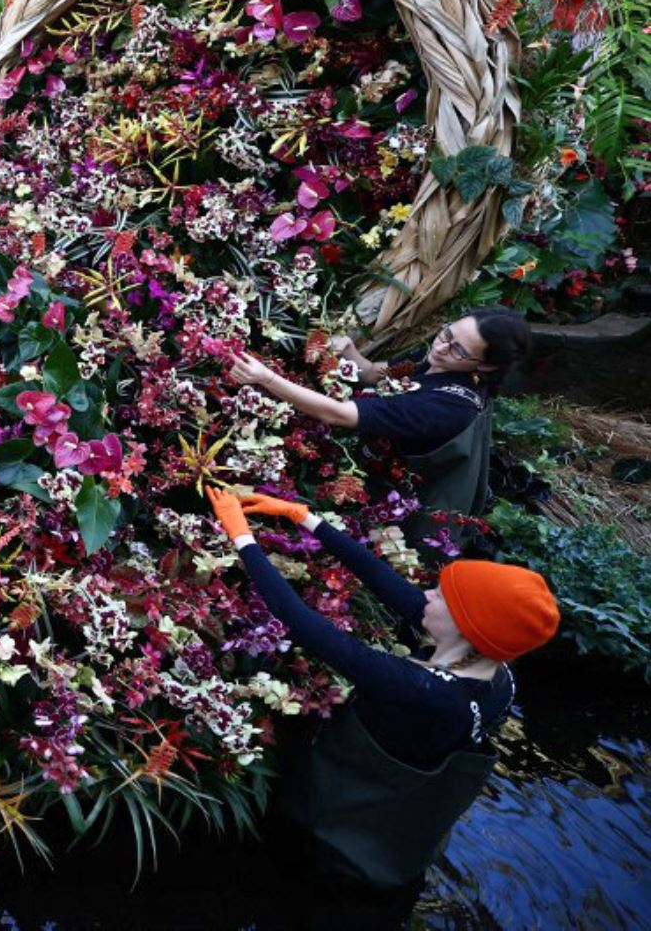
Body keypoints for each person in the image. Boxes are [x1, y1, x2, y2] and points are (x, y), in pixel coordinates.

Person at [205, 486, 559, 889]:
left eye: (439, 596)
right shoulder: (496, 673)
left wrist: (241, 537)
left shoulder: (420, 690)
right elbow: (389, 586)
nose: (424, 595)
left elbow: (305, 625)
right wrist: (303, 517)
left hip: (339, 831)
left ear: (465, 627)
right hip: (400, 829)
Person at [228, 308, 532, 534]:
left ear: (487, 365)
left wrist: (266, 378)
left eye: (458, 349)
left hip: (390, 503)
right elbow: (375, 373)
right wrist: (349, 350)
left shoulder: (447, 405)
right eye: (446, 333)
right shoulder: (442, 361)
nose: (440, 347)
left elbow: (338, 414)